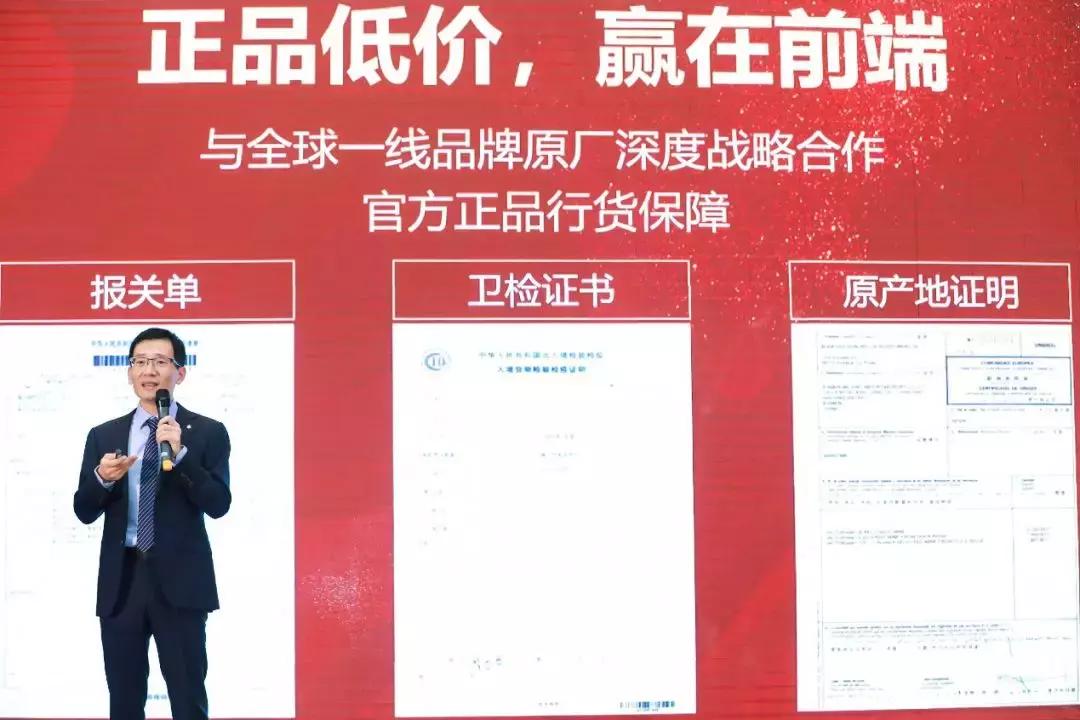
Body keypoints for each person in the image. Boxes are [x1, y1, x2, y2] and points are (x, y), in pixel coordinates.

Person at [73, 327, 231, 720]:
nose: (149, 370)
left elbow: (218, 504)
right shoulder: (104, 434)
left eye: (160, 362)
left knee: (188, 698)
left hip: (180, 583)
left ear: (180, 373)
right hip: (122, 582)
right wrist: (103, 478)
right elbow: (83, 509)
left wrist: (181, 457)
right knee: (124, 700)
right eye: (140, 362)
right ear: (129, 372)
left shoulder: (207, 431)